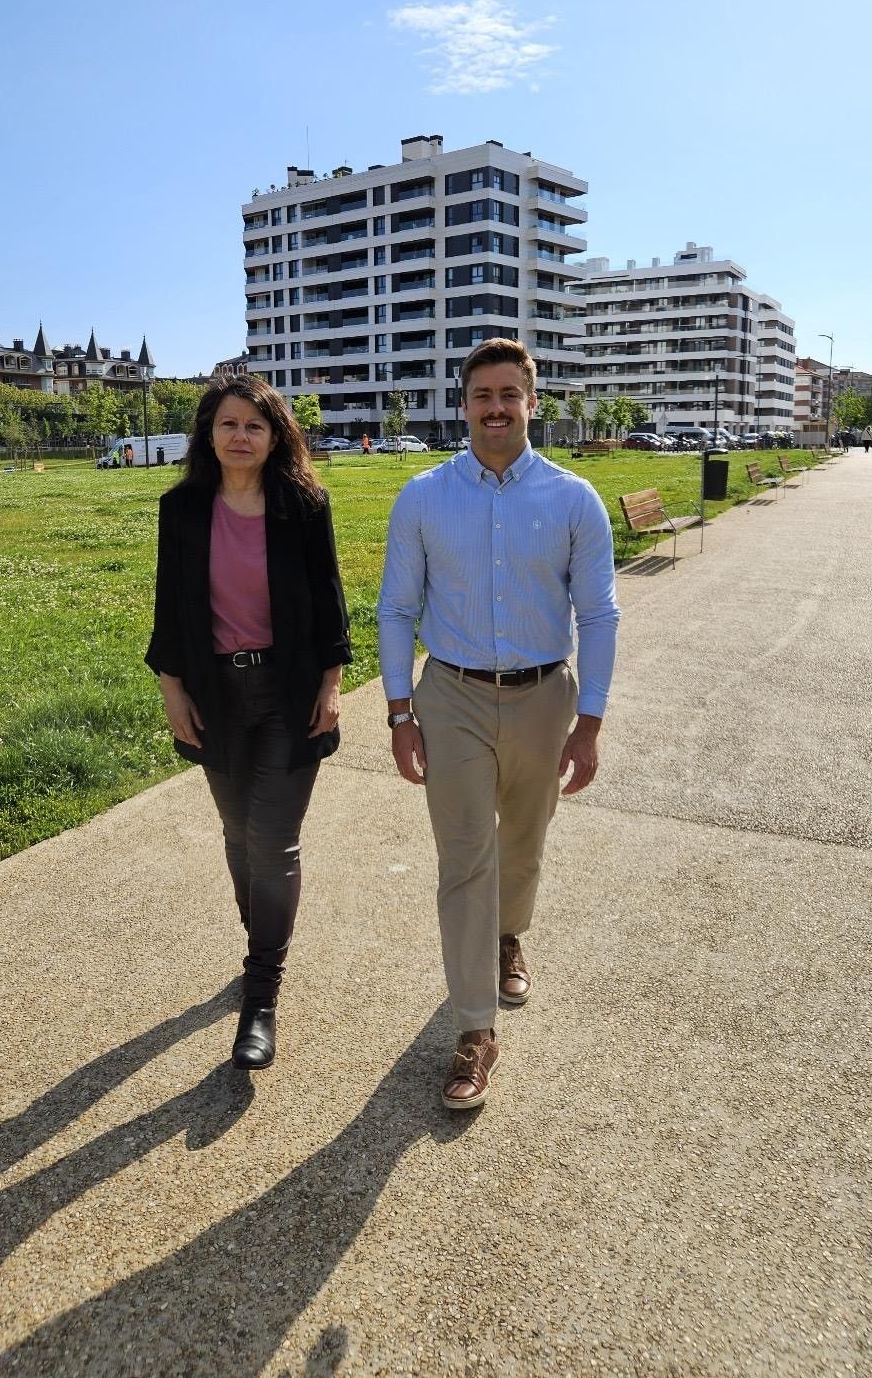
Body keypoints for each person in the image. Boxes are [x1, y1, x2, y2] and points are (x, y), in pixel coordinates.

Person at [378, 339, 619, 1111]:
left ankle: (509, 933)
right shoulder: (423, 497)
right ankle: (475, 1029)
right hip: (451, 696)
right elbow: (397, 608)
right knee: (464, 859)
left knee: (523, 842)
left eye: (509, 394)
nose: (495, 408)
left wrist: (589, 721)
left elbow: (599, 614)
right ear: (463, 404)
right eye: (482, 394)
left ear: (532, 403)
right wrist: (399, 711)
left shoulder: (573, 499)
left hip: (545, 696)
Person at [145, 376, 351, 1071]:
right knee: (238, 834)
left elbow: (329, 601)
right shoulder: (181, 509)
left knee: (273, 841)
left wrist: (332, 683)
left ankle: (261, 993)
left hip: (290, 692)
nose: (240, 436)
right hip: (215, 694)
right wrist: (173, 690)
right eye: (228, 424)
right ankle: (260, 939)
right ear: (208, 434)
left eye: (254, 426)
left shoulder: (303, 505)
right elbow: (169, 607)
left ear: (274, 437)